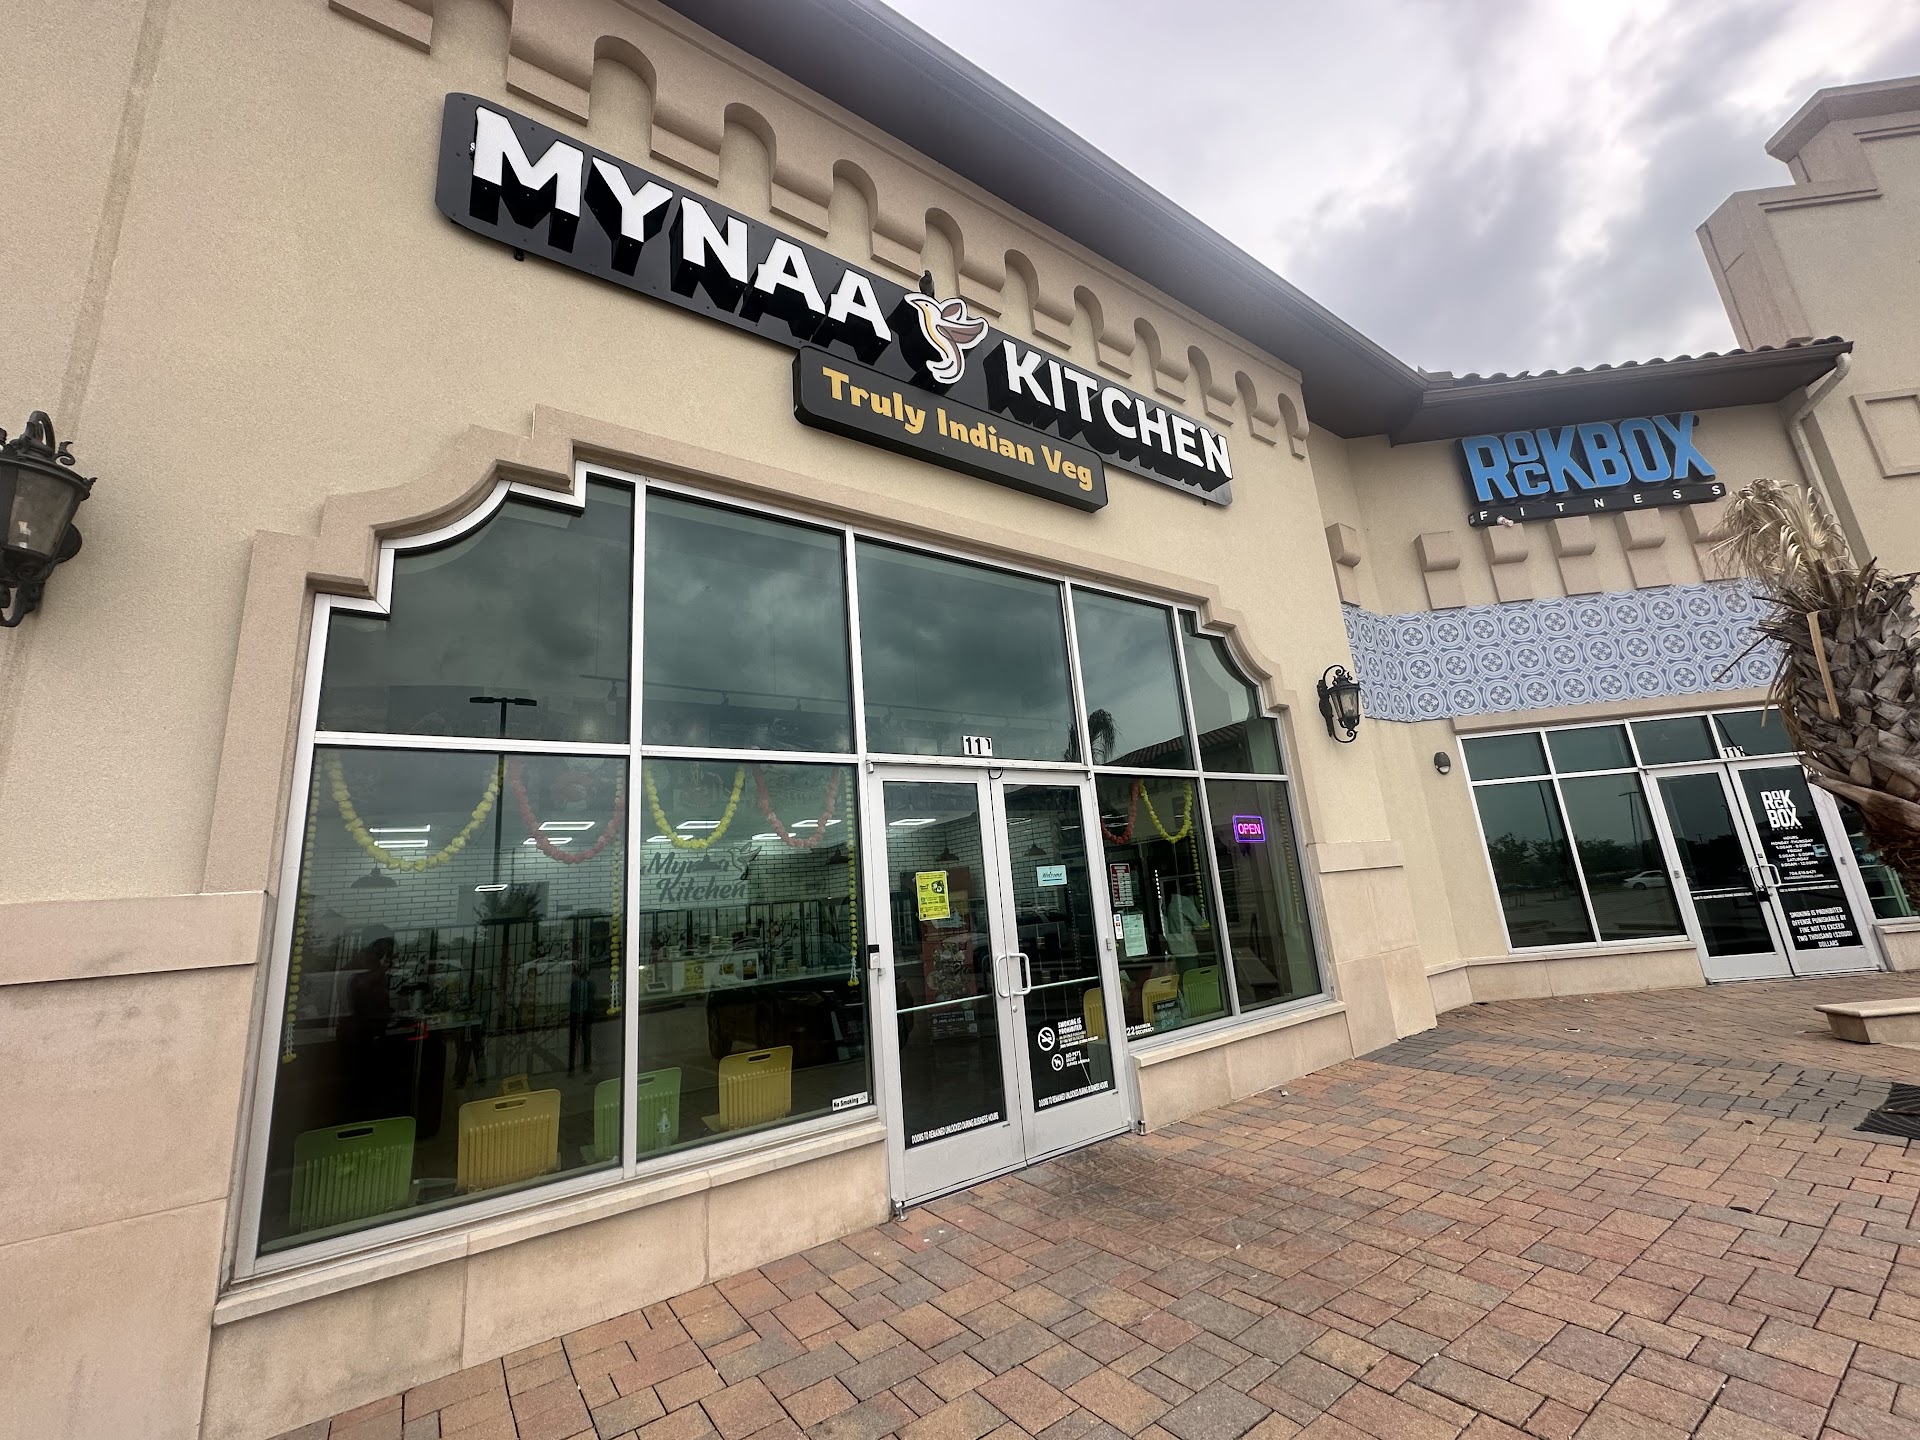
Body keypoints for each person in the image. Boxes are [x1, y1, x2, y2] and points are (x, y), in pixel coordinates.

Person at [567, 955, 596, 1075]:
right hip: (581, 1013)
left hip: (579, 1013)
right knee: (585, 1041)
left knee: (577, 1041)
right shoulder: (586, 984)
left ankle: (573, 1068)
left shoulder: (578, 984)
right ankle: (582, 1066)